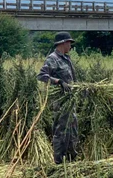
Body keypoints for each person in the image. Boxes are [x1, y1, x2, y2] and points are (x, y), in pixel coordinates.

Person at [37, 31, 78, 164]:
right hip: (60, 102)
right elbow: (42, 76)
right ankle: (59, 161)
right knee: (61, 130)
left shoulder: (66, 58)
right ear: (62, 43)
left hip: (70, 100)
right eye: (69, 43)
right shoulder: (52, 58)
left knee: (72, 129)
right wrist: (58, 81)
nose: (70, 46)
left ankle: (72, 158)